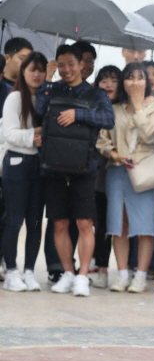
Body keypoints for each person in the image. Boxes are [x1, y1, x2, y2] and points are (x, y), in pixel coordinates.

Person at [36, 44, 115, 297]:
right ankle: (68, 273)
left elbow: (108, 119)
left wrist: (77, 114)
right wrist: (48, 79)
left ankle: (83, 276)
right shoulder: (53, 88)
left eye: (71, 63)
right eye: (61, 65)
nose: (66, 69)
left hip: (84, 166)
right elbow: (39, 110)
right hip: (53, 166)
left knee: (84, 222)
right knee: (59, 222)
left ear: (82, 64)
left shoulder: (95, 93)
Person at [95, 62, 154, 293]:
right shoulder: (114, 109)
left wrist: (137, 105)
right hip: (117, 171)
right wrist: (114, 154)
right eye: (129, 77)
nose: (134, 82)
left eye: (140, 77)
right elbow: (102, 140)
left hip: (142, 171)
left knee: (144, 225)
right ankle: (123, 273)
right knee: (118, 224)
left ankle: (141, 275)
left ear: (148, 82)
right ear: (123, 82)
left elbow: (149, 133)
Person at [0, 52, 47, 292]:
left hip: (39, 167)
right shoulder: (15, 98)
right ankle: (11, 271)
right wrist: (33, 136)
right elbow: (8, 134)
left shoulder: (45, 98)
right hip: (17, 164)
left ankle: (29, 270)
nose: (37, 74)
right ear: (23, 72)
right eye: (32, 69)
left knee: (36, 222)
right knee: (15, 220)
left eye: (41, 70)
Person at [89, 66, 122, 289]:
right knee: (93, 222)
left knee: (110, 225)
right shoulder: (92, 106)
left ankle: (110, 270)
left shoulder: (122, 109)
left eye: (113, 80)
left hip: (114, 172)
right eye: (104, 80)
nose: (108, 85)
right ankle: (95, 268)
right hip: (91, 171)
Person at [0, 37, 33, 118]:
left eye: (29, 60)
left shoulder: (30, 90)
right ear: (7, 58)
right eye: (22, 58)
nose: (26, 63)